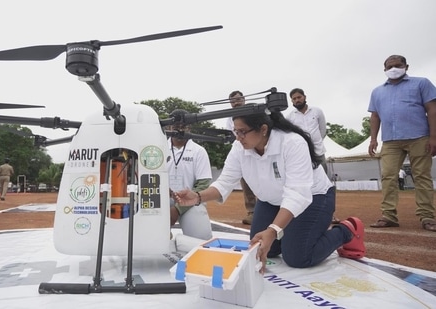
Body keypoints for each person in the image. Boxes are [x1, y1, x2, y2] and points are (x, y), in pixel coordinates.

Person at [174, 110, 365, 273]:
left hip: (313, 197)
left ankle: (346, 230)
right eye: (235, 132)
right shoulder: (239, 147)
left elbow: (297, 194)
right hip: (271, 201)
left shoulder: (292, 143)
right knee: (263, 247)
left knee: (298, 257)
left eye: (242, 132)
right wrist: (197, 197)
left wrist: (273, 230)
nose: (238, 138)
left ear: (263, 129)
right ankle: (291, 233)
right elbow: (224, 182)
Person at [368, 54, 436, 232]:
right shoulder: (377, 91)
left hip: (419, 137)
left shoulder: (421, 83)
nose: (393, 69)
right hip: (390, 140)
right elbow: (375, 116)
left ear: (406, 66)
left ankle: (427, 216)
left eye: (397, 65)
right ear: (384, 70)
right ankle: (389, 215)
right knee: (388, 176)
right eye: (389, 67)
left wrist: (434, 137)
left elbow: (432, 109)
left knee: (422, 176)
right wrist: (373, 138)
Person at [286, 88, 339, 224]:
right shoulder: (290, 116)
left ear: (304, 97)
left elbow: (322, 131)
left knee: (325, 185)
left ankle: (329, 215)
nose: (297, 100)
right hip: (301, 155)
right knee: (303, 184)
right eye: (294, 98)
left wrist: (314, 144)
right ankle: (305, 214)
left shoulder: (317, 111)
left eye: (299, 97)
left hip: (318, 152)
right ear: (291, 101)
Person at [166, 110, 213, 240]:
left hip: (190, 202)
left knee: (201, 239)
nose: (180, 130)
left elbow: (203, 185)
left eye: (184, 126)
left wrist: (177, 209)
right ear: (169, 127)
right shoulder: (159, 148)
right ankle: (164, 233)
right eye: (176, 126)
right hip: (162, 200)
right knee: (153, 239)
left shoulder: (199, 151)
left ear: (189, 127)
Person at [227, 90, 257, 225]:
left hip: (259, 150)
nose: (236, 103)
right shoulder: (228, 118)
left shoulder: (253, 112)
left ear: (244, 100)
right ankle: (252, 212)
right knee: (246, 183)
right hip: (242, 152)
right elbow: (233, 137)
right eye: (233, 101)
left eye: (238, 99)